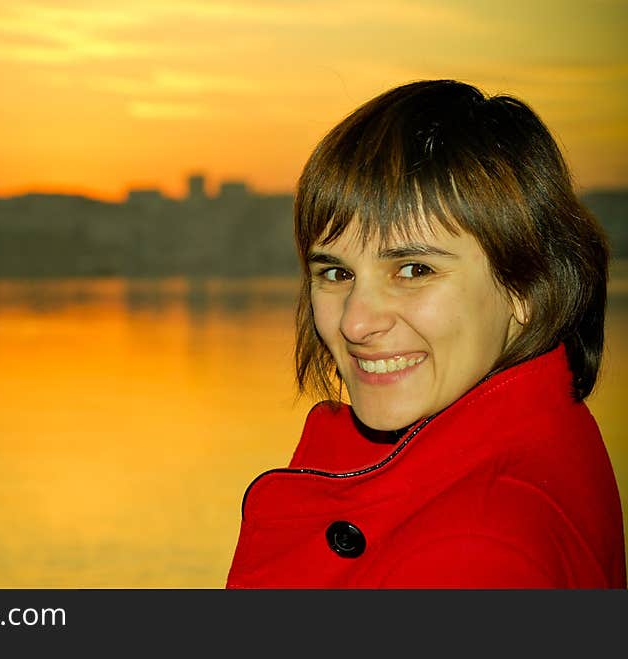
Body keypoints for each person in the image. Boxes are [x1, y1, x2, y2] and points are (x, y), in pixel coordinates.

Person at [226, 79, 626, 588]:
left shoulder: (471, 556)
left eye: (414, 270)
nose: (354, 321)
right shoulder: (544, 438)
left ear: (525, 285)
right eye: (336, 273)